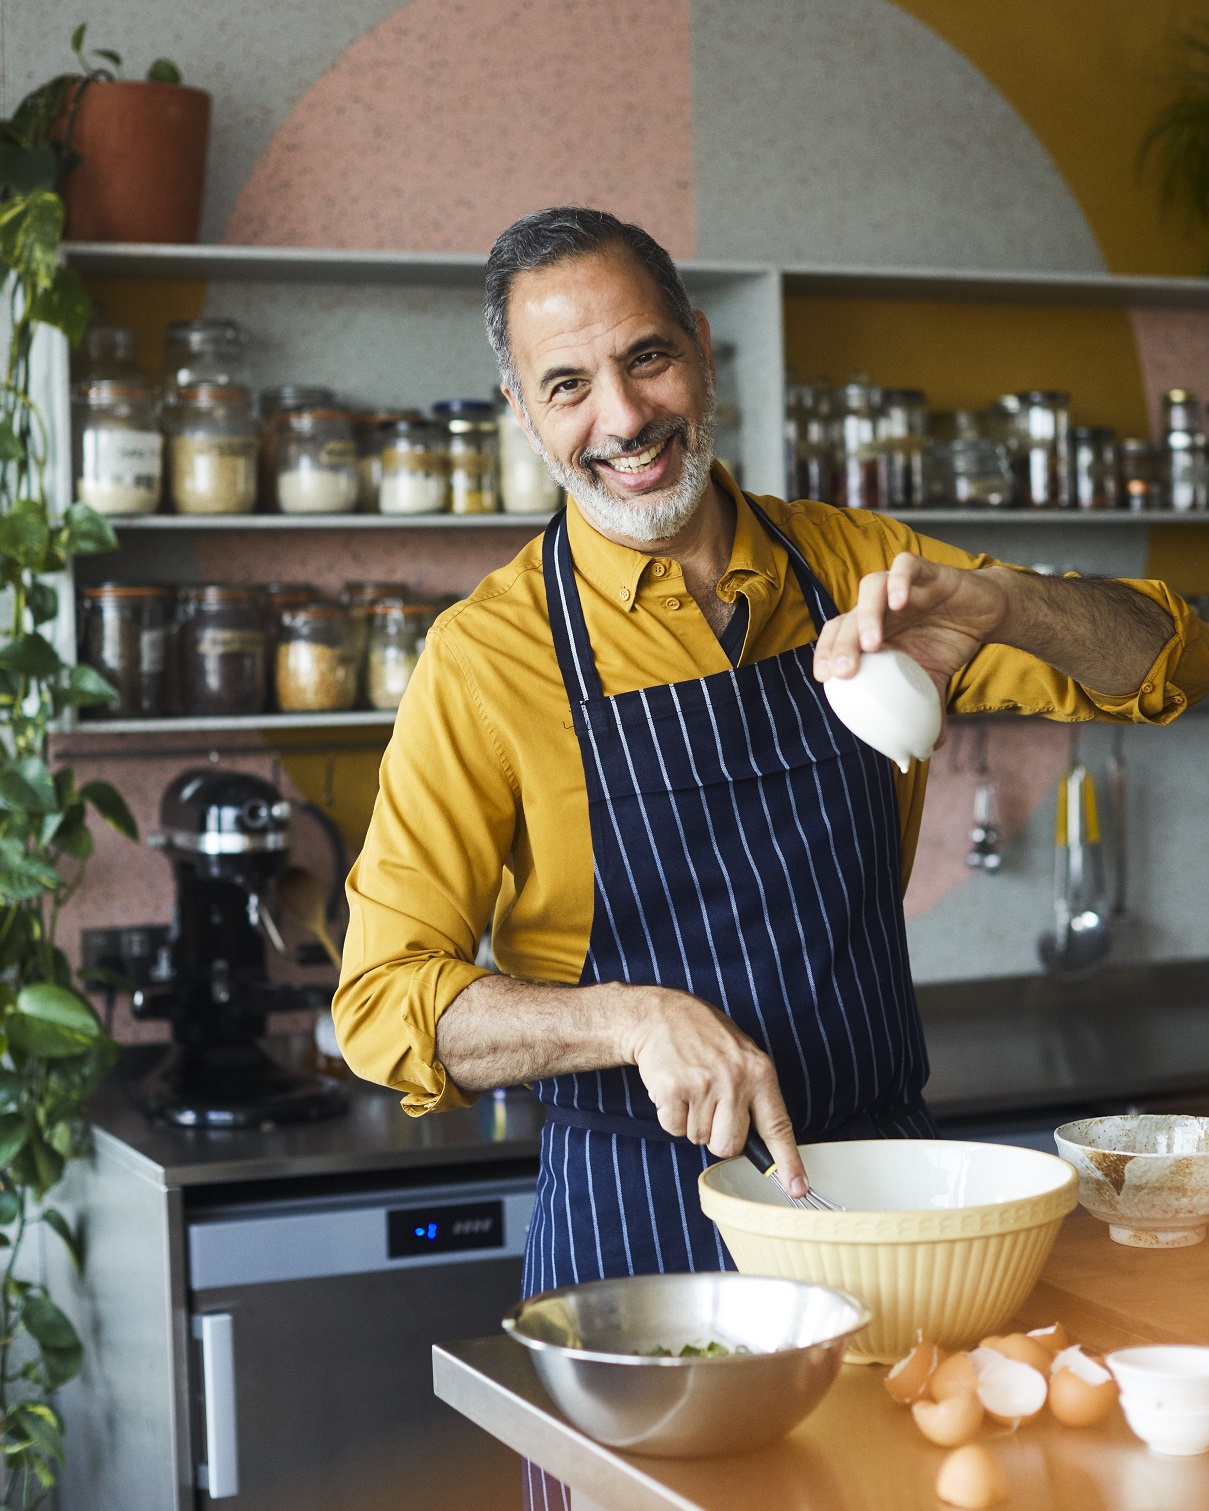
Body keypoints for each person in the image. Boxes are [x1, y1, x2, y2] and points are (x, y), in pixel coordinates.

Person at [335, 206, 1208, 1291]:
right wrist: (633, 1015)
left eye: (646, 357)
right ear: (521, 411)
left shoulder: (860, 566)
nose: (622, 417)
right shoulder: (485, 658)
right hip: (639, 1238)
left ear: (701, 347)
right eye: (567, 385)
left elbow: (1171, 661)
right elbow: (381, 1002)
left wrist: (1002, 602)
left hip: (886, 1204)